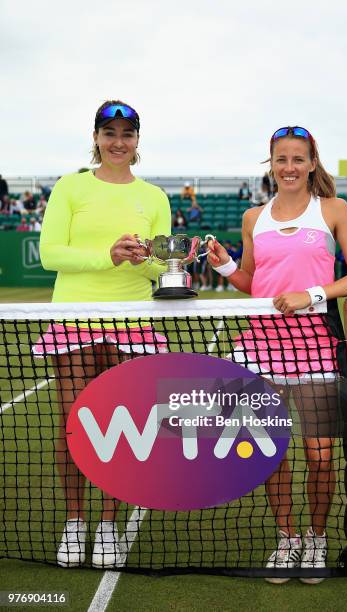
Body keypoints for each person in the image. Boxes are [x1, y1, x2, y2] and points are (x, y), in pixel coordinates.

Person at [207, 125, 347, 584]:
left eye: (299, 159)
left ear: (313, 163)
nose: (290, 167)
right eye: (282, 159)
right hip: (262, 348)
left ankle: (316, 539)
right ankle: (287, 538)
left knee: (320, 455)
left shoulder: (334, 210)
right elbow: (252, 284)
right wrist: (223, 263)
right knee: (270, 451)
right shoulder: (253, 217)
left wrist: (311, 294)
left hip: (315, 347)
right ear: (271, 164)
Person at [37, 100, 171, 569]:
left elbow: (160, 264)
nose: (118, 142)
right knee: (75, 426)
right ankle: (76, 524)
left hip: (133, 323)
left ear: (138, 141)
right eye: (109, 132)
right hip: (74, 319)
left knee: (120, 430)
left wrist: (145, 259)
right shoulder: (69, 187)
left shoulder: (155, 196)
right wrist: (107, 256)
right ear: (95, 137)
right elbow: (52, 253)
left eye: (127, 134)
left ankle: (108, 525)